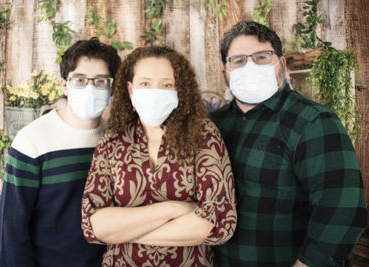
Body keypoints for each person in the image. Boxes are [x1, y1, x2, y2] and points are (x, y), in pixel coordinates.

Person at [210, 20, 367, 267]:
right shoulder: (212, 125)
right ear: (224, 74)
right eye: (238, 60)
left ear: (281, 65)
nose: (249, 66)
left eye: (262, 57)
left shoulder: (313, 122)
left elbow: (341, 208)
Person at [81, 46, 237, 266]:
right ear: (130, 89)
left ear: (178, 90)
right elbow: (93, 225)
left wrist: (123, 232)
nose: (155, 91)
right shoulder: (112, 141)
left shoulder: (203, 134)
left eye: (166, 84)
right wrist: (173, 208)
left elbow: (217, 221)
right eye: (145, 83)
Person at [0, 37, 121, 267]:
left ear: (112, 86)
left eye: (101, 80)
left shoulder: (116, 140)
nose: (90, 88)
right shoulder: (32, 141)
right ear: (64, 84)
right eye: (80, 80)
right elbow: (12, 227)